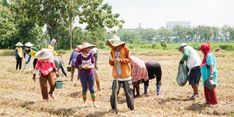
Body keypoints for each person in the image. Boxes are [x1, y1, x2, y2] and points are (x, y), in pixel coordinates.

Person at [107, 35, 134, 112]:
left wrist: (121, 60)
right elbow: (111, 63)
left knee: (128, 92)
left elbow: (129, 59)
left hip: (125, 75)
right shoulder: (112, 50)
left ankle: (131, 108)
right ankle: (114, 108)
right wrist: (112, 61)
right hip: (116, 75)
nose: (114, 45)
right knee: (114, 93)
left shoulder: (125, 49)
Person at [75, 42, 96, 106]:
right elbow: (76, 65)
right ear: (84, 49)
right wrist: (81, 66)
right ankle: (84, 102)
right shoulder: (79, 56)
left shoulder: (91, 55)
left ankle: (94, 102)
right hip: (83, 75)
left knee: (91, 88)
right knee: (84, 88)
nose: (89, 49)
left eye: (89, 48)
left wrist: (92, 66)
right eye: (88, 48)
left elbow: (93, 63)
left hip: (90, 74)